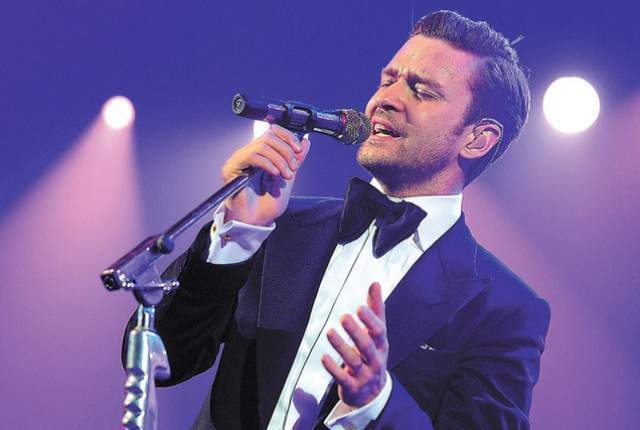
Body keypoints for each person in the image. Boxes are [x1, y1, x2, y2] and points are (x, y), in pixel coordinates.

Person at [133, 10, 550, 430]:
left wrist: (376, 403)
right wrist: (236, 237)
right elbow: (162, 359)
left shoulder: (504, 308)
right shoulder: (278, 226)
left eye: (422, 91)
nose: (386, 99)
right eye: (388, 80)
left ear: (478, 139)